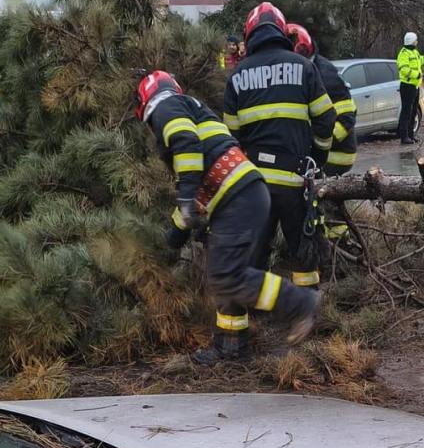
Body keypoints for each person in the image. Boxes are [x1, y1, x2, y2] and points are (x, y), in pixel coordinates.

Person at [135, 70, 320, 364]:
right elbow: (195, 188)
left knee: (227, 274)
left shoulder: (167, 107)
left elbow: (185, 145)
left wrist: (184, 199)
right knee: (221, 275)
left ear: (146, 105)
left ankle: (300, 303)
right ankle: (231, 347)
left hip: (237, 197)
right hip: (241, 195)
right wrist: (174, 233)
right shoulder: (190, 109)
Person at [224, 2, 337, 290]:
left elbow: (231, 135)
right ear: (280, 31)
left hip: (255, 185)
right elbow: (326, 118)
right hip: (294, 179)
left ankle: (257, 313)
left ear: (249, 35)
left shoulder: (237, 76)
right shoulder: (304, 67)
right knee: (303, 252)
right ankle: (306, 311)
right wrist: (318, 156)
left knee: (256, 254)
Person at [286, 23, 357, 177]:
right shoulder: (310, 69)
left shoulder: (324, 75)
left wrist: (317, 143)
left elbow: (347, 118)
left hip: (336, 155)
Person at [396, 32, 424, 144]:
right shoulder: (404, 53)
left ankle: (411, 135)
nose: (417, 42)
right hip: (407, 86)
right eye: (416, 40)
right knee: (406, 111)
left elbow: (422, 59)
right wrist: (417, 75)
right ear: (412, 41)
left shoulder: (414, 52)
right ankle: (404, 136)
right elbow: (403, 69)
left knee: (413, 111)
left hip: (415, 86)